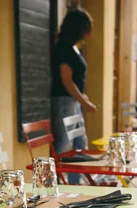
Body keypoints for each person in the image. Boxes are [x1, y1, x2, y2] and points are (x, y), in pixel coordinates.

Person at [51, 7, 96, 184]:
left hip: (73, 102)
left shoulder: (72, 48)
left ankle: (75, 185)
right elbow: (66, 81)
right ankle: (57, 187)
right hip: (64, 102)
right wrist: (83, 101)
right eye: (87, 28)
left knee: (80, 145)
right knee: (63, 146)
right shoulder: (63, 48)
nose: (88, 33)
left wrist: (83, 101)